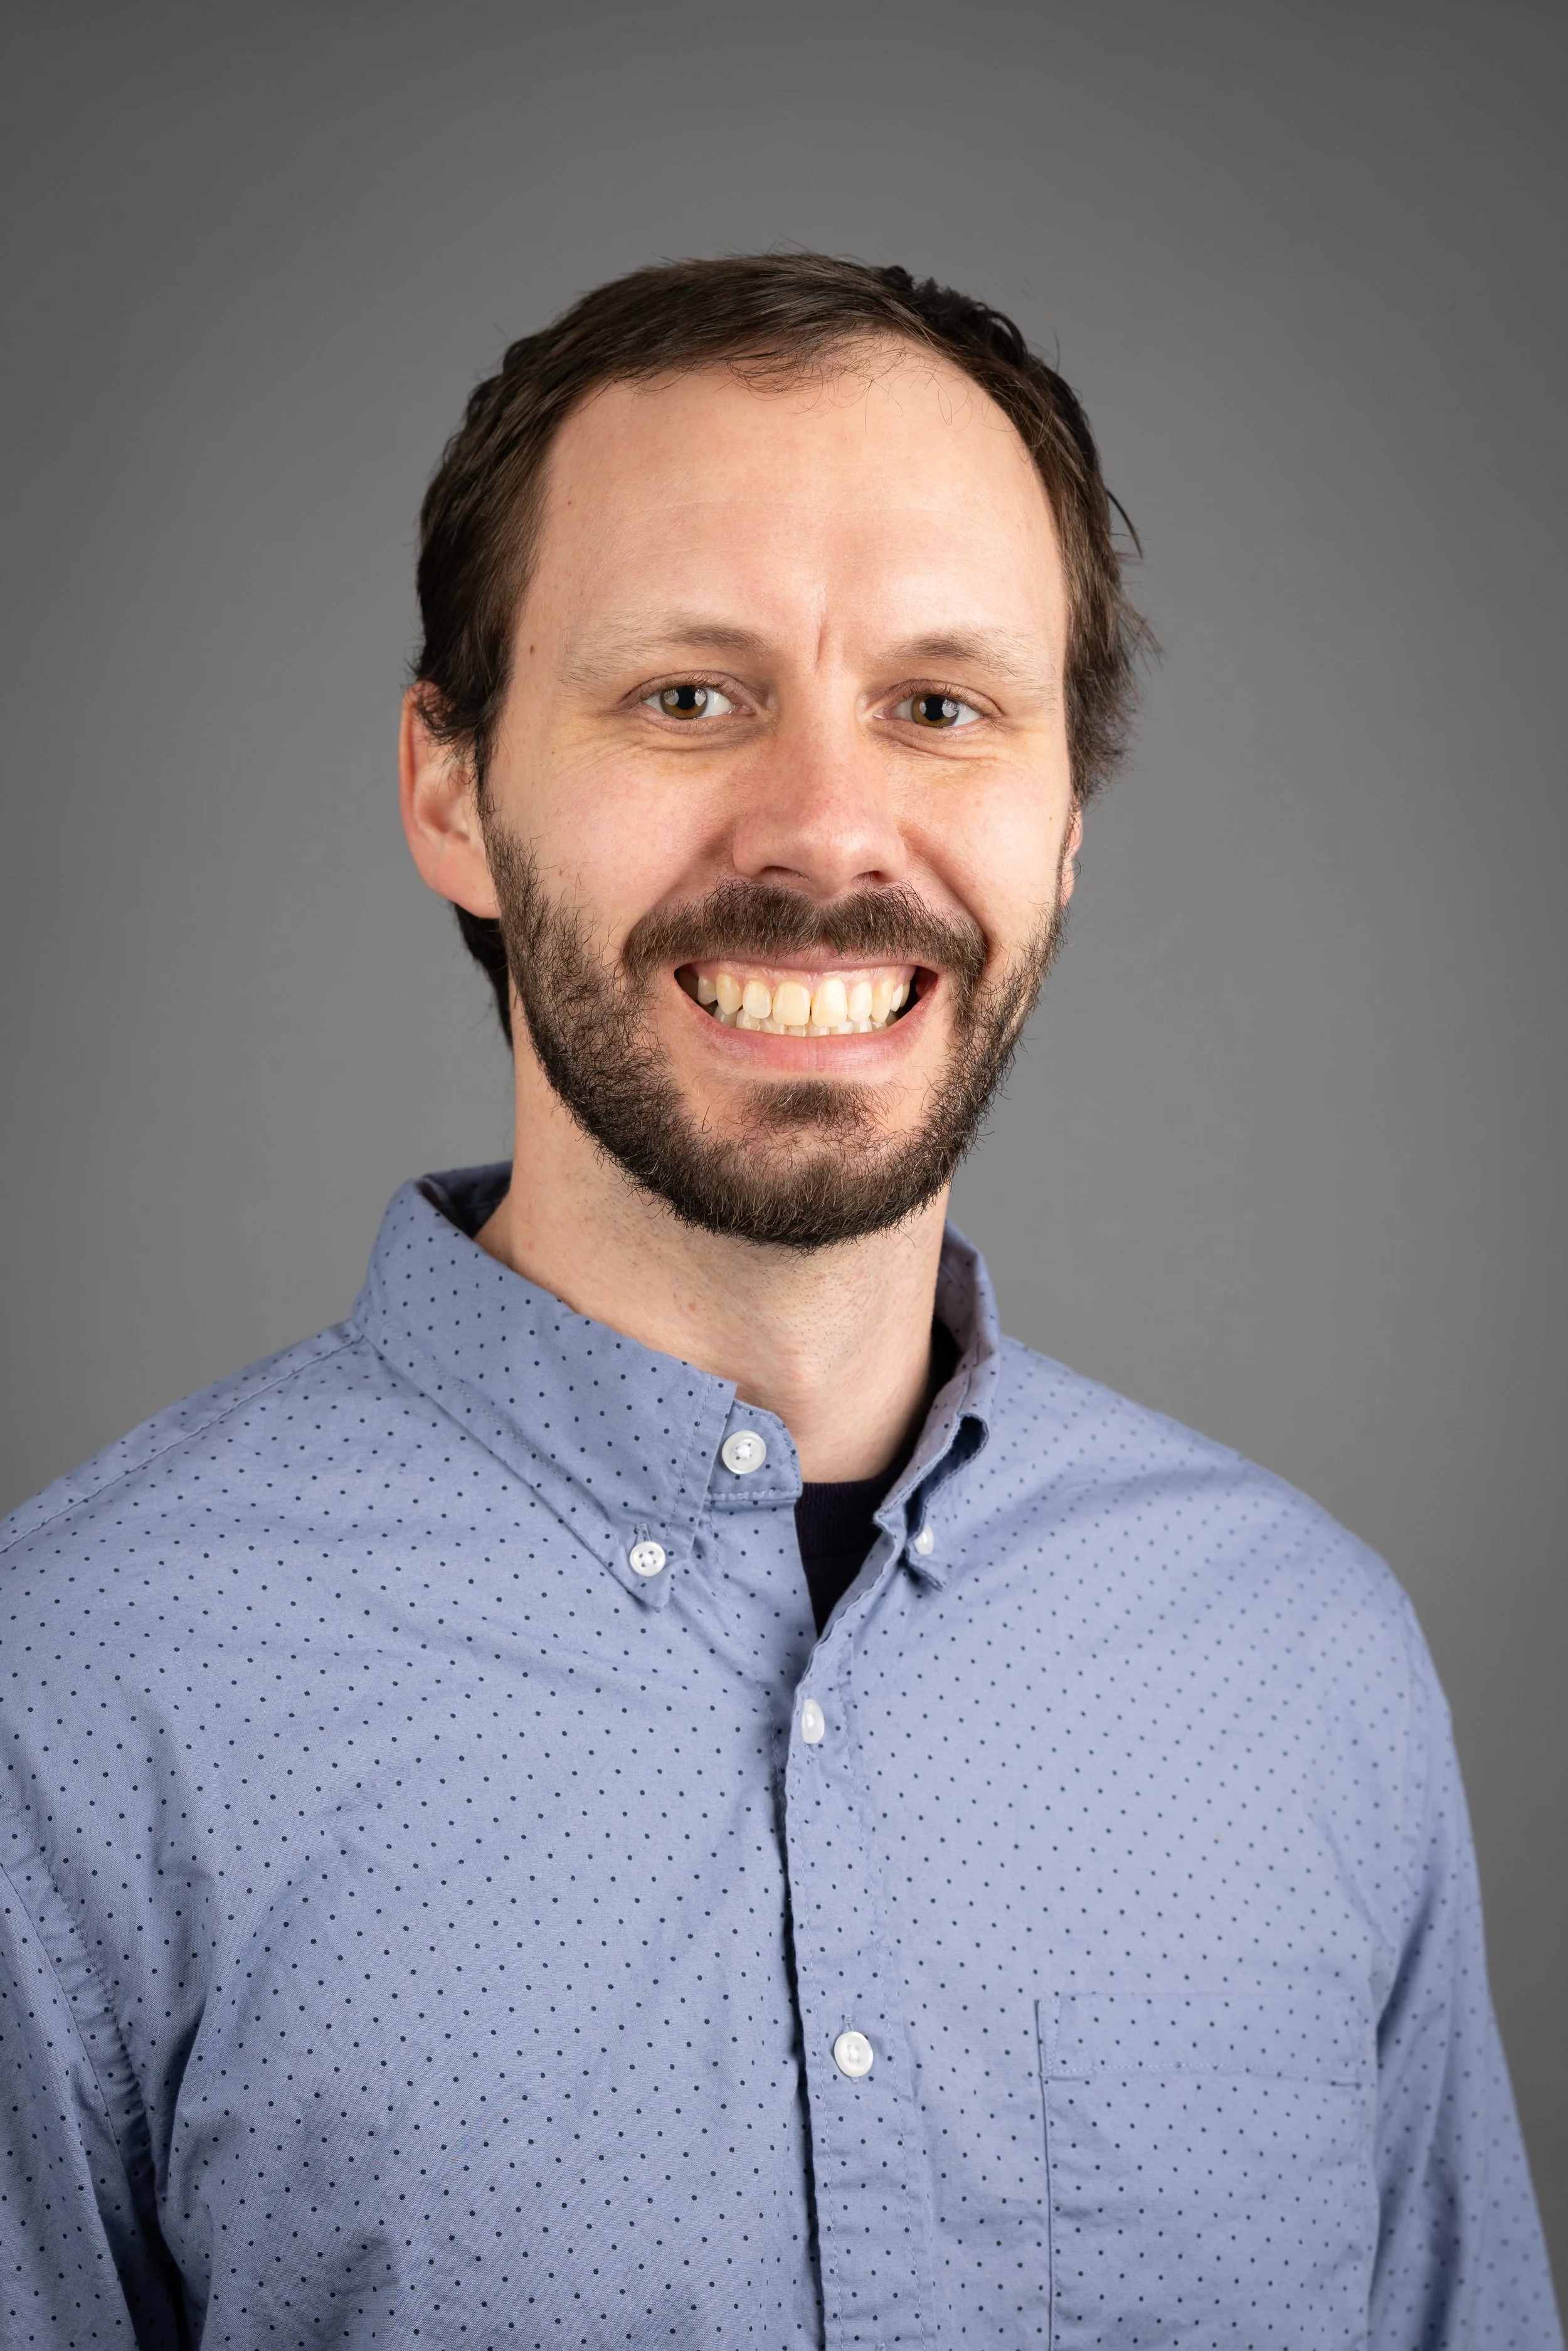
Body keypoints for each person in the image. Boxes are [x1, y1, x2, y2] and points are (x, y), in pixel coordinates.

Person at [0, 253, 1557, 2351]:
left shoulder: (1309, 1668)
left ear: (1064, 817)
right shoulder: (72, 1700)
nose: (830, 832)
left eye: (940, 706)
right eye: (688, 696)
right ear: (453, 789)